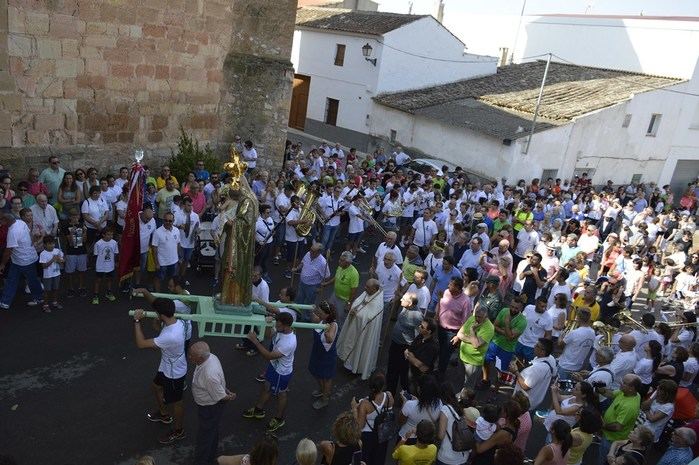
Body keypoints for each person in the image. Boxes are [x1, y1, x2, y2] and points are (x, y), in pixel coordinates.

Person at [132, 299, 187, 444]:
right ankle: (163, 414)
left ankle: (178, 431)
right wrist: (158, 325)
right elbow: (162, 338)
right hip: (166, 365)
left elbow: (141, 344)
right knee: (156, 387)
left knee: (177, 402)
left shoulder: (170, 335)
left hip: (175, 372)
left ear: (161, 314)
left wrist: (137, 321)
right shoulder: (177, 322)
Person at [243, 312, 297, 432]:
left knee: (281, 394)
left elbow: (269, 356)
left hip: (281, 373)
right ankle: (259, 409)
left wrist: (255, 341)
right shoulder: (281, 330)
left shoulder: (288, 343)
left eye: (278, 325)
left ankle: (279, 419)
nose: (276, 327)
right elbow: (270, 335)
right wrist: (267, 325)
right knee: (266, 386)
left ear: (286, 326)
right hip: (274, 368)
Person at [189, 341, 236, 465]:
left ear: (200, 358)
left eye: (191, 355)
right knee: (211, 430)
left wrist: (229, 396)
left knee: (205, 436)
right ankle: (210, 456)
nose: (189, 357)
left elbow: (221, 397)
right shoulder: (211, 357)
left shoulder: (209, 375)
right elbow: (219, 382)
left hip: (209, 408)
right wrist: (225, 390)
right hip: (211, 404)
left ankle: (202, 461)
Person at [336, 279, 385, 380]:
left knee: (360, 348)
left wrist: (356, 313)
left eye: (368, 287)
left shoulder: (378, 303)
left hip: (364, 332)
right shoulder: (367, 292)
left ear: (375, 289)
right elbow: (358, 302)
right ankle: (349, 364)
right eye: (366, 286)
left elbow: (369, 317)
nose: (365, 288)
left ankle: (358, 367)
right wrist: (354, 308)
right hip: (355, 326)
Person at [484, 294, 527, 391]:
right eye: (511, 306)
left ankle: (496, 388)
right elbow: (495, 326)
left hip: (507, 349)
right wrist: (507, 332)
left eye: (516, 308)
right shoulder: (504, 311)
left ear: (521, 308)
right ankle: (485, 380)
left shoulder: (523, 321)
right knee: (486, 361)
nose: (513, 309)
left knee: (501, 371)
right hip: (495, 343)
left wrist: (506, 323)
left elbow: (511, 338)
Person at [0, 213, 44, 309]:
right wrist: (32, 245)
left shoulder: (12, 232)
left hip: (23, 261)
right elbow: (30, 234)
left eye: (1, 221)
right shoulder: (20, 222)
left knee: (30, 280)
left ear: (5, 220)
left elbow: (8, 251)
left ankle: (39, 298)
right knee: (14, 280)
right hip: (24, 258)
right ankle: (4, 302)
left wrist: (2, 264)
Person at [351, 370, 394, 465]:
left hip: (368, 436)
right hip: (382, 433)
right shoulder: (389, 397)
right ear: (383, 385)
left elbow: (359, 426)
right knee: (378, 457)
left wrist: (354, 409)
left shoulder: (365, 404)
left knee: (366, 459)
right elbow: (389, 413)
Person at [597, 374, 642, 460]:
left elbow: (617, 427)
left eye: (624, 383)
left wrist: (601, 425)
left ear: (631, 388)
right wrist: (601, 390)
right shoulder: (626, 392)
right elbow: (611, 394)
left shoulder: (630, 406)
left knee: (603, 461)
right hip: (607, 435)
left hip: (612, 440)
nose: (621, 383)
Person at [386, 293, 423, 394]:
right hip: (395, 343)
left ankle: (406, 396)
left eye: (403, 299)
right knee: (391, 369)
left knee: (403, 372)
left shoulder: (418, 316)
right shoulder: (405, 306)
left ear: (410, 303)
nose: (401, 299)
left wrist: (412, 349)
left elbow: (420, 334)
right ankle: (389, 391)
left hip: (405, 348)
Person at [452, 306, 494, 394]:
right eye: (476, 316)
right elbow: (459, 334)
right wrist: (472, 339)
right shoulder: (472, 318)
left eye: (480, 317)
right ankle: (458, 397)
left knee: (468, 386)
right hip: (462, 356)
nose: (477, 319)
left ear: (486, 317)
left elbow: (476, 345)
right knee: (460, 380)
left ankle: (464, 403)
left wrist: (471, 330)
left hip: (473, 362)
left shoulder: (489, 328)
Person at [435, 276, 472, 376]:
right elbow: (441, 303)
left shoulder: (466, 301)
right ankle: (438, 370)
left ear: (458, 288)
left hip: (452, 332)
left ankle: (440, 375)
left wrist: (458, 336)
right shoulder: (447, 292)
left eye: (451, 285)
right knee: (440, 349)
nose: (448, 286)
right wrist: (437, 315)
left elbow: (466, 322)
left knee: (445, 354)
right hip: (441, 327)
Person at [511, 338, 557, 411]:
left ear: (543, 352)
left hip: (524, 402)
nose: (534, 346)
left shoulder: (537, 369)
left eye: (537, 346)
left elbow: (525, 386)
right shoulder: (551, 358)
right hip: (535, 400)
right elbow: (554, 374)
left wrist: (515, 371)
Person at [308, 301, 339, 410]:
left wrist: (327, 333)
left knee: (326, 378)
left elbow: (330, 339)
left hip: (327, 356)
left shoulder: (333, 325)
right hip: (317, 352)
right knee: (315, 372)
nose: (319, 314)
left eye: (321, 313)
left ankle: (325, 399)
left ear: (328, 314)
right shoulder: (322, 320)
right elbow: (314, 320)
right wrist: (312, 311)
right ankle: (322, 390)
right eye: (319, 312)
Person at [472, 400, 520, 465]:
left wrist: (477, 433)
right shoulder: (515, 424)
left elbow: (480, 449)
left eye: (502, 410)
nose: (500, 411)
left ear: (505, 414)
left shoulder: (503, 434)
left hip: (486, 459)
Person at [397, 375, 443, 444]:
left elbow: (400, 421)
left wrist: (404, 402)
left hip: (407, 437)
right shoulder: (439, 403)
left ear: (419, 389)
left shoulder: (409, 405)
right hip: (425, 439)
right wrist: (416, 400)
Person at [322, 251, 359, 326]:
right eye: (340, 259)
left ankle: (338, 334)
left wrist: (349, 303)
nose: (339, 261)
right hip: (335, 295)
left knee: (339, 319)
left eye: (342, 260)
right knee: (329, 311)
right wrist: (327, 283)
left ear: (348, 263)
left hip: (343, 300)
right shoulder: (340, 267)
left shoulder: (354, 273)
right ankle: (328, 327)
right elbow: (336, 278)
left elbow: (353, 291)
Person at [557, 308, 595, 380]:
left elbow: (560, 344)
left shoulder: (574, 333)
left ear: (578, 318)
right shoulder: (593, 333)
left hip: (565, 366)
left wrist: (561, 335)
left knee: (559, 387)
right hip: (578, 367)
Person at [515, 295, 553, 363]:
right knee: (515, 361)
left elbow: (548, 335)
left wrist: (541, 348)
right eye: (542, 306)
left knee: (528, 365)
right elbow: (521, 319)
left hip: (532, 346)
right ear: (536, 303)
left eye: (545, 306)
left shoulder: (548, 318)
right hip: (520, 341)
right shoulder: (528, 308)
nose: (544, 308)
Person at [61, 208, 88, 297]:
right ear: (70, 217)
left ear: (79, 216)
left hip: (82, 251)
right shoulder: (66, 226)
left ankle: (81, 287)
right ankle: (70, 288)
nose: (75, 218)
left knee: (82, 271)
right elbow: (71, 243)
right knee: (70, 272)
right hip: (71, 252)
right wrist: (72, 233)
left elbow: (84, 241)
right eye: (73, 216)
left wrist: (84, 231)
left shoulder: (82, 225)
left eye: (77, 216)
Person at [641, 379, 677, 443]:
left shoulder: (668, 407)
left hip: (650, 432)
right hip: (641, 425)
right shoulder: (656, 397)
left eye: (660, 388)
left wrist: (646, 411)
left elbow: (652, 419)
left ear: (666, 392)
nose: (657, 388)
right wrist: (653, 397)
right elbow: (643, 406)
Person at [152, 212, 180, 292]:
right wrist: (156, 263)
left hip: (174, 262)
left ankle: (170, 294)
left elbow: (178, 244)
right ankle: (157, 295)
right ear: (163, 220)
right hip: (162, 263)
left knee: (172, 280)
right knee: (159, 279)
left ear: (173, 221)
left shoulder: (176, 230)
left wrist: (177, 258)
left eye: (170, 221)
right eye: (166, 220)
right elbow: (154, 248)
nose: (168, 222)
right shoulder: (157, 232)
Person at [175, 196, 200, 279]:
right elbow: (172, 226)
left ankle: (181, 277)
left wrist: (197, 231)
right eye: (188, 205)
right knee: (179, 262)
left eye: (191, 205)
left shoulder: (195, 216)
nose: (190, 207)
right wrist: (179, 226)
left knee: (186, 261)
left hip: (190, 243)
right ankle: (175, 278)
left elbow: (198, 227)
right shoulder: (177, 214)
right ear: (184, 205)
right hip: (180, 243)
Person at [38, 235, 64, 313]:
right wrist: (53, 259)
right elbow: (44, 266)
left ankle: (55, 302)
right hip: (48, 276)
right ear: (45, 245)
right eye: (50, 244)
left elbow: (62, 261)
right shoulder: (43, 254)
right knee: (47, 291)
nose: (52, 245)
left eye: (53, 243)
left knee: (56, 289)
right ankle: (45, 305)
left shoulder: (57, 250)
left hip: (57, 274)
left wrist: (60, 260)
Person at [92, 227, 118, 305]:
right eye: (108, 235)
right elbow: (95, 255)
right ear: (103, 235)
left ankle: (108, 292)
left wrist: (115, 262)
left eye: (112, 235)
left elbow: (115, 253)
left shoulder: (114, 242)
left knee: (109, 279)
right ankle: (96, 295)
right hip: (100, 266)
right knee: (98, 280)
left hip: (110, 266)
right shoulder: (98, 244)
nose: (110, 236)